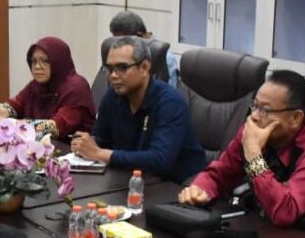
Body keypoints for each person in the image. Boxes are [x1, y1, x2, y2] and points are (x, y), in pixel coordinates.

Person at [178, 70, 305, 238]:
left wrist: (254, 155)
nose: (254, 116)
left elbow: (285, 212)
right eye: (255, 106)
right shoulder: (254, 131)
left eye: (265, 110)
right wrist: (200, 189)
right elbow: (219, 174)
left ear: (295, 118)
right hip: (267, 233)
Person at [72, 36, 206, 183]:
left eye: (122, 68)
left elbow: (160, 160)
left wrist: (100, 154)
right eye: (109, 68)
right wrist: (86, 144)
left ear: (144, 68)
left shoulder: (170, 102)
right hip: (130, 178)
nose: (113, 75)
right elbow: (101, 139)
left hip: (176, 185)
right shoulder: (113, 96)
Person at [0, 36, 95, 138]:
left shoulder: (76, 87)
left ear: (58, 61)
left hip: (71, 150)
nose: (37, 67)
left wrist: (11, 124)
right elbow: (16, 105)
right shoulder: (36, 85)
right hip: (42, 148)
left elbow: (55, 127)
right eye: (34, 61)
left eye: (45, 61)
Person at [109, 10, 179, 89]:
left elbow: (170, 93)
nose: (118, 46)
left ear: (139, 37)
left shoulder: (166, 59)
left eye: (123, 42)